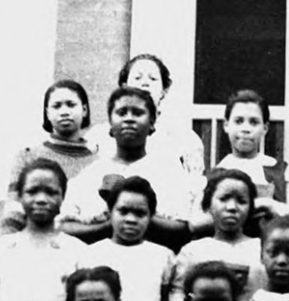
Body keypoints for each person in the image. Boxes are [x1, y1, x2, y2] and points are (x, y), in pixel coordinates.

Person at [61, 86, 195, 248]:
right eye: (121, 112)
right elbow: (64, 226)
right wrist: (108, 225)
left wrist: (137, 214)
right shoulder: (92, 174)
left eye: (138, 113)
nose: (129, 119)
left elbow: (183, 228)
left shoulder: (169, 172)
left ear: (152, 123)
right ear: (110, 122)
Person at [0, 157, 86, 301]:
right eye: (32, 191)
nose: (41, 199)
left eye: (50, 192)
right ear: (20, 196)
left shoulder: (76, 251)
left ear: (62, 197)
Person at [87, 176, 176, 301]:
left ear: (151, 216)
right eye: (123, 211)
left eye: (140, 213)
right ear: (110, 211)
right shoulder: (92, 254)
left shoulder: (162, 256)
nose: (130, 219)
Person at [3, 80, 99, 230]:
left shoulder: (98, 160)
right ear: (47, 113)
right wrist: (7, 243)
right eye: (57, 106)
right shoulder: (28, 156)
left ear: (85, 110)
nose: (64, 111)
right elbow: (14, 208)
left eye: (71, 104)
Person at [169, 168, 262, 301]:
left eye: (241, 201)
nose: (232, 207)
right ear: (208, 204)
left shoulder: (260, 249)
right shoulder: (193, 252)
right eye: (223, 199)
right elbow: (177, 296)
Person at [120, 53, 207, 179]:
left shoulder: (184, 138)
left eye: (153, 79)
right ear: (124, 87)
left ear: (164, 90)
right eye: (137, 78)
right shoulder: (109, 134)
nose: (145, 83)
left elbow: (195, 184)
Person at [215, 88, 289, 207]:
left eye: (254, 122)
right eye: (238, 121)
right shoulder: (216, 173)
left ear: (265, 128)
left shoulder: (280, 172)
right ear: (226, 125)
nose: (246, 129)